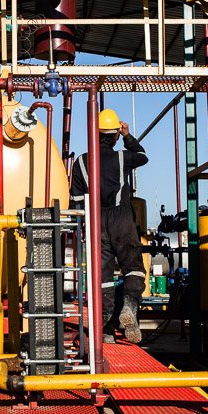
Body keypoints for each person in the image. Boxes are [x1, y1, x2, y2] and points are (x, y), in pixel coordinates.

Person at [70, 109, 149, 344]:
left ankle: (105, 331)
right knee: (134, 269)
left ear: (94, 134)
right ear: (114, 136)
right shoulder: (122, 157)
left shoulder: (82, 162)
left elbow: (75, 200)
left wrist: (82, 228)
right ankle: (129, 305)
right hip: (122, 219)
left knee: (102, 277)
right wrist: (127, 135)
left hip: (95, 222)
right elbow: (143, 156)